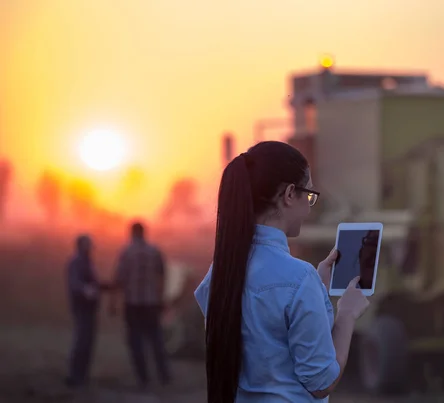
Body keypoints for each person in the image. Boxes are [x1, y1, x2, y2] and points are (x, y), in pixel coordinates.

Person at [194, 141, 370, 403]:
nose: (310, 207)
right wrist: (346, 314)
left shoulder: (219, 273)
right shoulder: (299, 278)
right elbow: (321, 382)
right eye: (309, 194)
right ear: (289, 194)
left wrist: (316, 290)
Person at [110, 222, 171, 387]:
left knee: (135, 341)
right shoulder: (154, 251)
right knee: (156, 340)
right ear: (144, 233)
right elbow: (163, 276)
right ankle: (164, 375)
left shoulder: (127, 252)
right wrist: (161, 298)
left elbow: (119, 278)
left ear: (131, 233)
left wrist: (113, 302)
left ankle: (143, 377)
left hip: (133, 303)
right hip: (152, 302)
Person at [65, 234, 100, 388]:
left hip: (90, 308)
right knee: (82, 342)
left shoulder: (88, 262)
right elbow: (75, 283)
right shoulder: (75, 262)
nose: (90, 249)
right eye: (87, 245)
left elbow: (93, 283)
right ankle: (75, 376)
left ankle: (83, 375)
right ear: (79, 246)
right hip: (82, 307)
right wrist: (87, 290)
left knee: (88, 342)